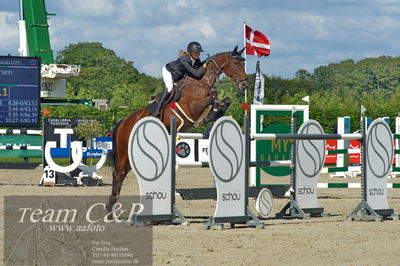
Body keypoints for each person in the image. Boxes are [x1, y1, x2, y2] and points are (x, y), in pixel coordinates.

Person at [153, 41, 211, 117]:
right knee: (170, 88)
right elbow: (197, 75)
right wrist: (206, 64)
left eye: (199, 52)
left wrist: (207, 61)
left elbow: (200, 66)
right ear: (190, 52)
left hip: (178, 75)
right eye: (196, 52)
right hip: (169, 71)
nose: (198, 54)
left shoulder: (196, 59)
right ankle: (157, 111)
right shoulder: (184, 60)